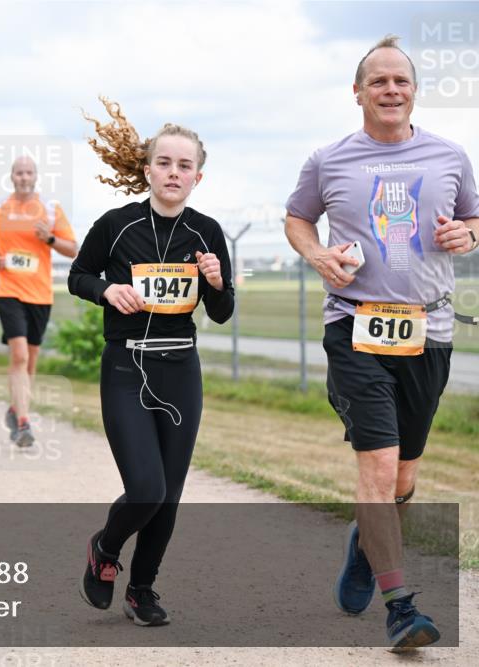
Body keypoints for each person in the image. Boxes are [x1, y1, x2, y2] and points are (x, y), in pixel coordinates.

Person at [285, 35, 479, 651]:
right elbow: (297, 218)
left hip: (430, 331)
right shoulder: (329, 160)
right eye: (378, 81)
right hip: (354, 327)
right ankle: (401, 608)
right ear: (358, 92)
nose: (390, 90)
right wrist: (319, 255)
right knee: (378, 463)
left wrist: (467, 235)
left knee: (403, 477)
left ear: (414, 91)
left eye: (400, 81)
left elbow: (474, 219)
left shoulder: (450, 155)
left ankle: (366, 546)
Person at [70, 100, 234, 627]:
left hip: (180, 371)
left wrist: (216, 282)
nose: (173, 173)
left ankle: (141, 590)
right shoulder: (116, 225)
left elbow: (223, 311)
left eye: (185, 166)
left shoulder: (207, 233)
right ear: (147, 170)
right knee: (147, 489)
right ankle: (105, 547)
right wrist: (106, 289)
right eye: (164, 163)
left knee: (170, 495)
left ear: (197, 177)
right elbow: (77, 276)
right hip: (126, 369)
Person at [0, 156, 78, 448]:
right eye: (19, 172)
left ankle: (15, 408)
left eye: (28, 172)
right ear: (12, 176)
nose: (23, 177)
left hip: (40, 293)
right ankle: (23, 423)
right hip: (7, 288)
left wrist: (50, 239)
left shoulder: (50, 210)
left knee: (30, 361)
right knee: (18, 355)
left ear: (35, 176)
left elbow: (72, 249)